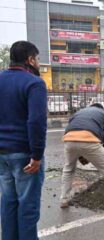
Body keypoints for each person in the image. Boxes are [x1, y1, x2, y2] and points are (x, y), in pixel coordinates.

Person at [0, 41, 47, 240]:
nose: (38, 63)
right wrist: (36, 156)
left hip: (2, 154)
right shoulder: (34, 83)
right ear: (30, 60)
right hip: (25, 155)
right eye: (37, 59)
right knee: (28, 208)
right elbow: (36, 121)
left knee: (9, 203)